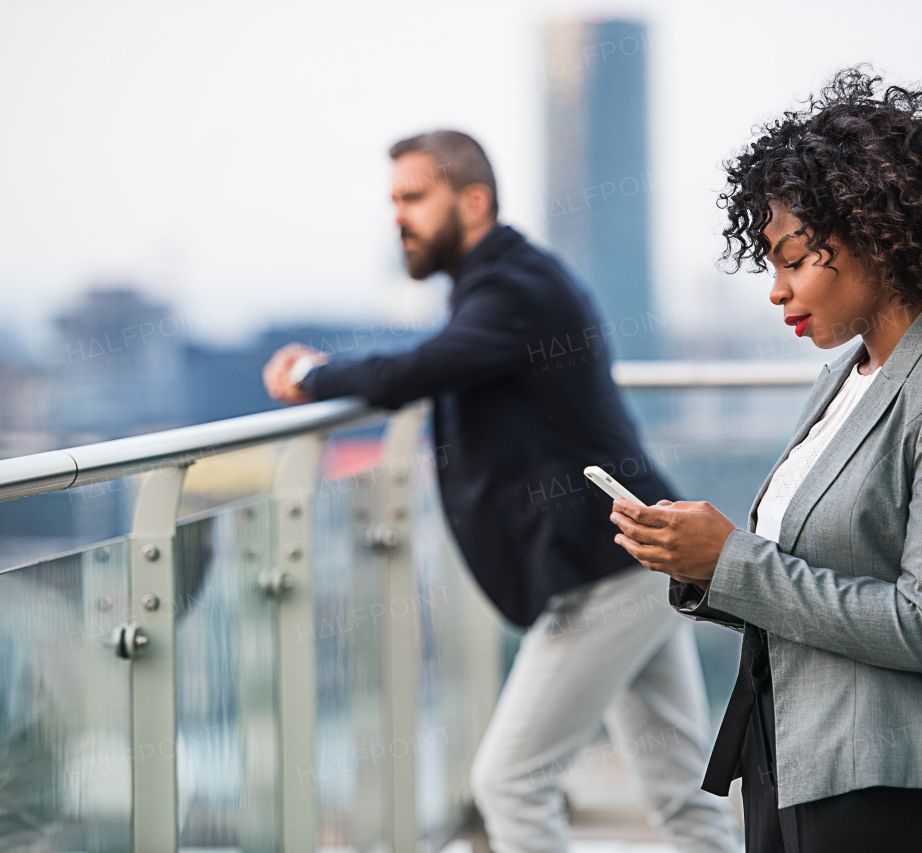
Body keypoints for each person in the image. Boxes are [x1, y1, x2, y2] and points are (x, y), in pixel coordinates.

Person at [263, 131, 737, 853]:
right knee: (682, 795)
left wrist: (310, 375)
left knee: (511, 782)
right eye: (393, 200)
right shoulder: (507, 282)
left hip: (605, 572)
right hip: (634, 558)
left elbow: (408, 375)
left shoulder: (513, 290)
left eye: (415, 197)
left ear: (474, 200)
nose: (399, 216)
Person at [609, 68, 922, 853]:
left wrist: (733, 558)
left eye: (793, 258)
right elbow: (808, 582)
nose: (776, 291)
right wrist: (699, 563)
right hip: (794, 763)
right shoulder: (847, 377)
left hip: (892, 790)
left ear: (875, 233)